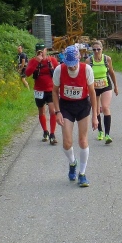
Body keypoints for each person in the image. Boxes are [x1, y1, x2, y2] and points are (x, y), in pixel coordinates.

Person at [53, 45, 98, 187]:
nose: (72, 67)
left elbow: (92, 93)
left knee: (83, 141)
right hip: (66, 106)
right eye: (69, 65)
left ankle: (82, 174)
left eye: (74, 64)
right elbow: (54, 91)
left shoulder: (87, 69)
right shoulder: (59, 70)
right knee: (67, 142)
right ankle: (72, 163)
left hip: (83, 105)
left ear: (79, 59)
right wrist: (57, 112)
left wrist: (95, 116)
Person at [25, 43, 60, 144]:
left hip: (51, 89)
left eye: (42, 50)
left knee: (52, 110)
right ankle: (45, 131)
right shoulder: (33, 61)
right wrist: (37, 61)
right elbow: (27, 73)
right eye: (38, 51)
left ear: (46, 50)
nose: (41, 52)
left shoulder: (52, 60)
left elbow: (58, 72)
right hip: (39, 90)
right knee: (41, 111)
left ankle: (52, 134)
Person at [86, 40, 119, 144]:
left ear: (102, 49)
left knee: (105, 107)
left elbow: (111, 72)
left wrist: (116, 86)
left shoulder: (107, 59)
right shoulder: (88, 61)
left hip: (106, 85)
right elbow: (85, 76)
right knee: (96, 110)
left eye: (98, 49)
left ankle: (107, 134)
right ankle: (100, 131)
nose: (96, 51)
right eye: (94, 49)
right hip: (94, 87)